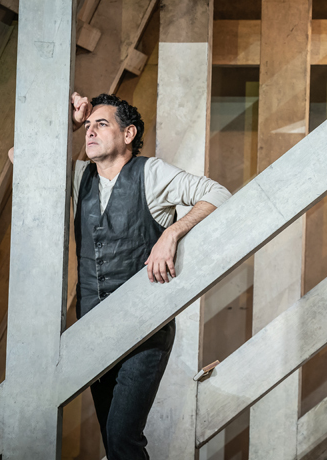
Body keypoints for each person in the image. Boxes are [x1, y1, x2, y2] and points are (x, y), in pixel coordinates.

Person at [70, 91, 230, 458]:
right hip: (93, 330)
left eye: (101, 124)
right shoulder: (80, 177)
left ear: (128, 134)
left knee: (124, 436)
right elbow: (22, 157)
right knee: (113, 441)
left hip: (145, 329)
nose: (90, 132)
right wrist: (69, 123)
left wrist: (172, 232)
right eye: (87, 126)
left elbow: (217, 193)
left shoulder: (151, 173)